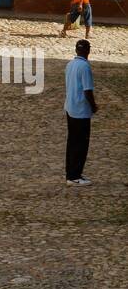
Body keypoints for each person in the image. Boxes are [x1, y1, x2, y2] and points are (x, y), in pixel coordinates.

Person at [64, 39, 97, 185]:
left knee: (72, 142)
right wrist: (94, 106)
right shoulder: (85, 67)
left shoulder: (70, 64)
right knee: (81, 144)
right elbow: (87, 90)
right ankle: (75, 176)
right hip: (81, 111)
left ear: (76, 50)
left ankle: (70, 173)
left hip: (70, 108)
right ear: (88, 51)